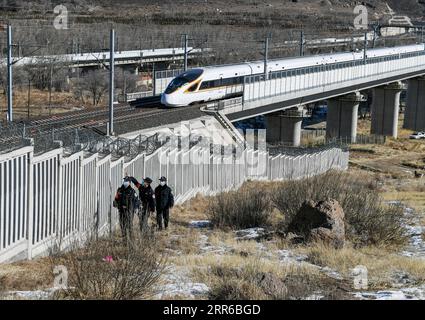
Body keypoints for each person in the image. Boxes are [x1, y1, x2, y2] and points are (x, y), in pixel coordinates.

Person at [113, 177, 138, 242]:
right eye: (124, 180)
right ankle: (124, 239)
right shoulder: (119, 190)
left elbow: (136, 201)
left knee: (129, 225)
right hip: (121, 211)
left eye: (126, 181)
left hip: (129, 211)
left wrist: (135, 208)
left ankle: (130, 239)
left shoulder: (132, 191)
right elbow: (116, 198)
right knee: (122, 224)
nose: (125, 182)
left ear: (129, 182)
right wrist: (115, 203)